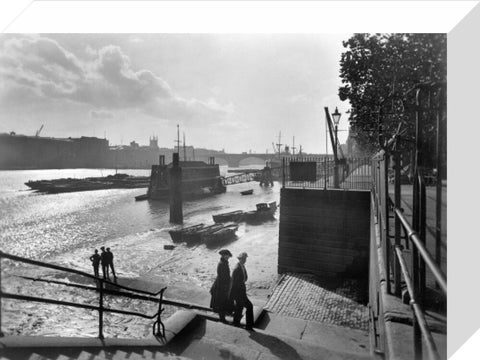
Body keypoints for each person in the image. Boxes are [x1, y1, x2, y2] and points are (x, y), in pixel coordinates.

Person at [229, 252, 254, 331]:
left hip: (241, 291)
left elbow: (245, 277)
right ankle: (249, 327)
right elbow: (235, 284)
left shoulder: (242, 266)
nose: (245, 260)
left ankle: (236, 323)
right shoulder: (237, 269)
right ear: (240, 259)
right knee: (249, 306)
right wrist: (238, 296)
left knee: (239, 308)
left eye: (245, 258)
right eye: (243, 259)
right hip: (239, 293)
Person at [210, 249, 233, 323]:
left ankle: (224, 316)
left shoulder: (224, 262)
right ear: (223, 256)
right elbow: (224, 277)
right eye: (226, 255)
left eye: (228, 256)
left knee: (222, 302)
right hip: (221, 286)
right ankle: (222, 319)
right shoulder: (222, 264)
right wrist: (228, 285)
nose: (228, 257)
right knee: (221, 302)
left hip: (221, 284)